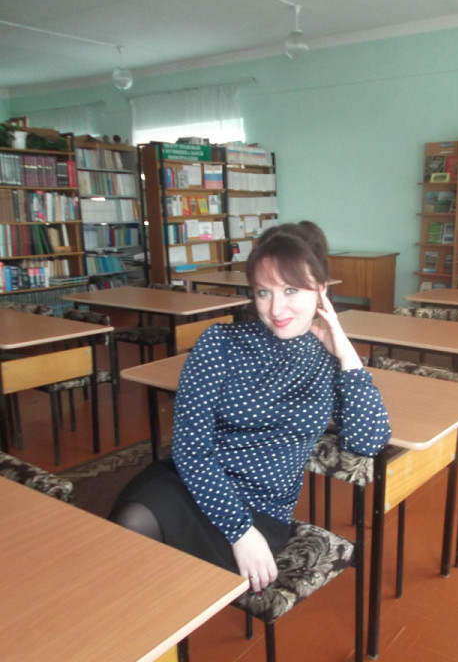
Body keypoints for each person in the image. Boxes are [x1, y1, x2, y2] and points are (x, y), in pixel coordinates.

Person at [110, 223, 391, 592]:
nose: (276, 308)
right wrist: (239, 530)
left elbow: (368, 441)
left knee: (169, 573)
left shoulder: (328, 359)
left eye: (291, 290)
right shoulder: (220, 343)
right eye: (263, 292)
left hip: (264, 509)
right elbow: (190, 450)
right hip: (196, 485)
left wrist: (347, 354)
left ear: (321, 290)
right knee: (132, 526)